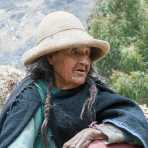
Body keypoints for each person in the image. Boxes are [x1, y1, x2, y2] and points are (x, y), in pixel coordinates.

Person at [0, 11, 148, 148]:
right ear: (51, 57)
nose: (85, 61)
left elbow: (134, 122)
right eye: (75, 52)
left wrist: (94, 132)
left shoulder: (94, 94)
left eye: (87, 54)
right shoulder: (31, 97)